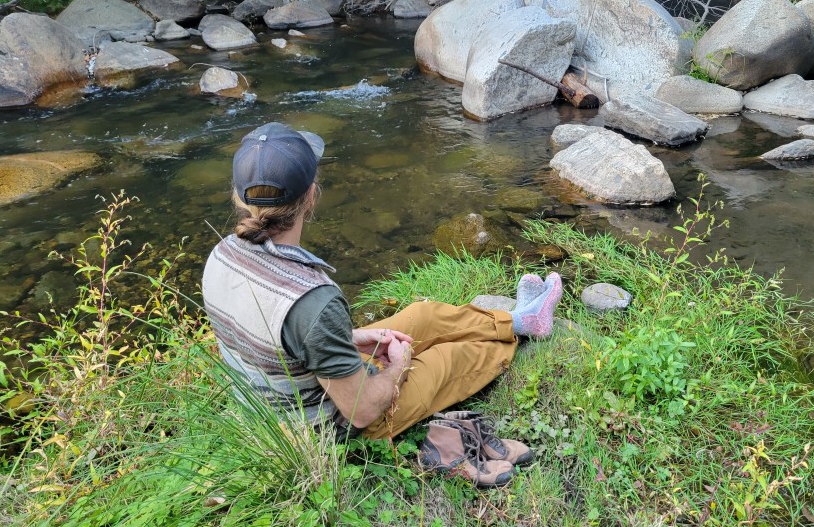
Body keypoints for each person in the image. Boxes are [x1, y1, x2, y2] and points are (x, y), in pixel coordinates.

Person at [201, 122, 564, 486]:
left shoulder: (222, 254)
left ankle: (519, 320)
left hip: (287, 395)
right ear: (311, 195)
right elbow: (361, 411)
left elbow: (277, 333)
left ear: (238, 195)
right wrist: (399, 366)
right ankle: (516, 336)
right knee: (450, 358)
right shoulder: (312, 300)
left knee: (422, 315)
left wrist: (347, 337)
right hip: (326, 427)